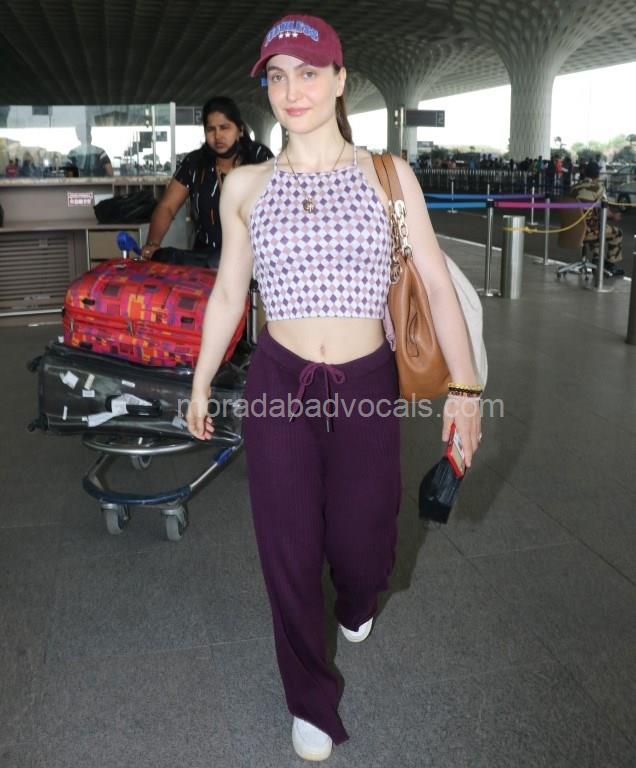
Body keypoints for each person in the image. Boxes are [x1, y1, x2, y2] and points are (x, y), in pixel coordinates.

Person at [186, 14, 482, 762]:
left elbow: (436, 288)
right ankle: (310, 699)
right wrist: (201, 380)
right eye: (277, 76)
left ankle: (358, 596)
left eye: (310, 72)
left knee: (365, 544)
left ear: (341, 80)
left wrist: (467, 392)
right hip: (279, 384)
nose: (293, 90)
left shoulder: (388, 175)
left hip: (366, 384)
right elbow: (230, 294)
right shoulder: (245, 186)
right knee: (286, 550)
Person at [141, 97, 273, 261]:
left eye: (224, 127)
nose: (218, 136)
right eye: (211, 129)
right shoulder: (194, 163)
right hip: (205, 260)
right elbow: (167, 207)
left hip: (255, 258)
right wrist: (152, 244)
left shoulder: (260, 157)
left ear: (240, 130)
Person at [570, 161, 624, 276]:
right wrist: (614, 216)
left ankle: (596, 261)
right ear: (597, 175)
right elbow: (605, 211)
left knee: (598, 227)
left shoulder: (574, 188)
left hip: (572, 230)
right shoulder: (598, 188)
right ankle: (610, 265)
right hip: (588, 231)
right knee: (617, 233)